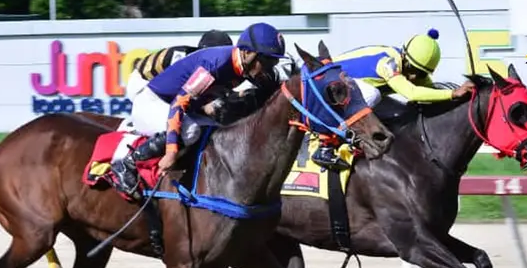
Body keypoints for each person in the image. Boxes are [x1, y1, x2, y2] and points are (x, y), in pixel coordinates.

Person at [110, 22, 286, 199]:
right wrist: (171, 152)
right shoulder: (216, 64)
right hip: (151, 104)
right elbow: (178, 104)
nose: (269, 67)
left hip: (173, 106)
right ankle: (127, 163)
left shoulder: (243, 66)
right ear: (247, 52)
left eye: (274, 61)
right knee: (191, 130)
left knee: (218, 131)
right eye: (266, 61)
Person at [311, 29, 474, 170]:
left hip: (351, 90)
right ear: (404, 56)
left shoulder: (412, 66)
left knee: (401, 111)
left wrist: (465, 98)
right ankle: (326, 145)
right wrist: (453, 93)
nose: (413, 76)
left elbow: (431, 93)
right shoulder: (389, 63)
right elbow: (412, 93)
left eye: (421, 73)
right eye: (412, 69)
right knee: (373, 94)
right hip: (330, 85)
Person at [120, 29, 234, 133]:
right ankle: (140, 135)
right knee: (186, 128)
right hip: (142, 83)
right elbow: (179, 97)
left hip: (162, 89)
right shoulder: (181, 57)